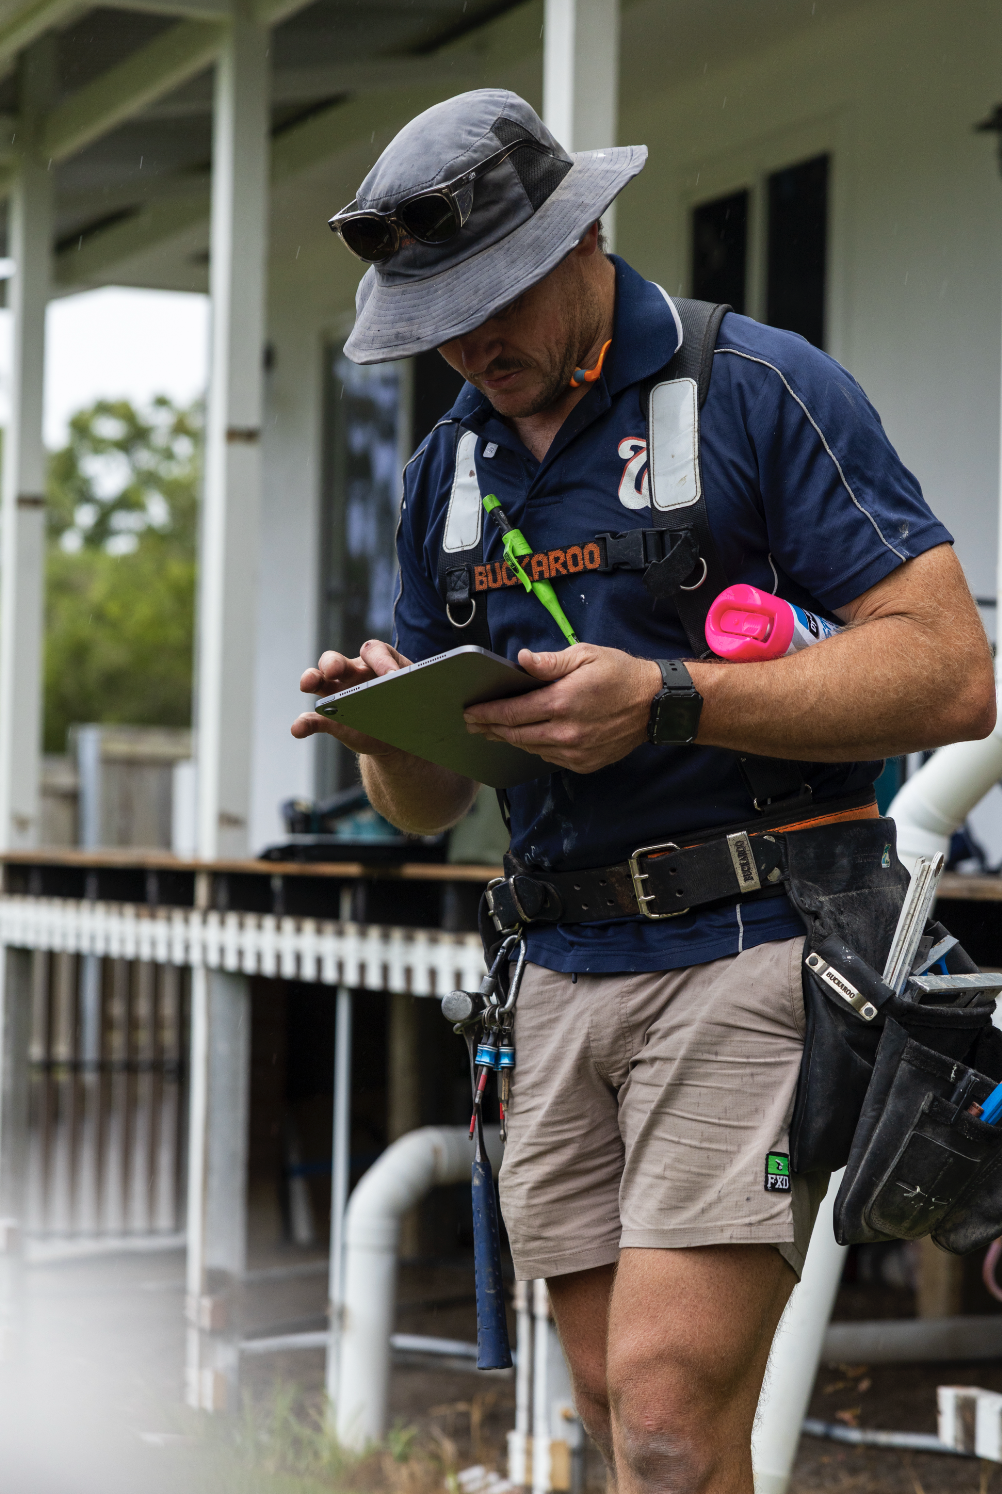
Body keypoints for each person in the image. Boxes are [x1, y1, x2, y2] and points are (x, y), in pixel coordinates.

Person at [292, 89, 995, 1493]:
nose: (467, 344)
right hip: (554, 966)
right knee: (635, 1424)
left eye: (492, 301)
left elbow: (950, 676)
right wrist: (380, 723)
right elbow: (428, 803)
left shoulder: (758, 387)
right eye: (436, 319)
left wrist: (669, 693)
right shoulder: (447, 463)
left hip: (752, 936)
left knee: (666, 1423)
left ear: (585, 235)